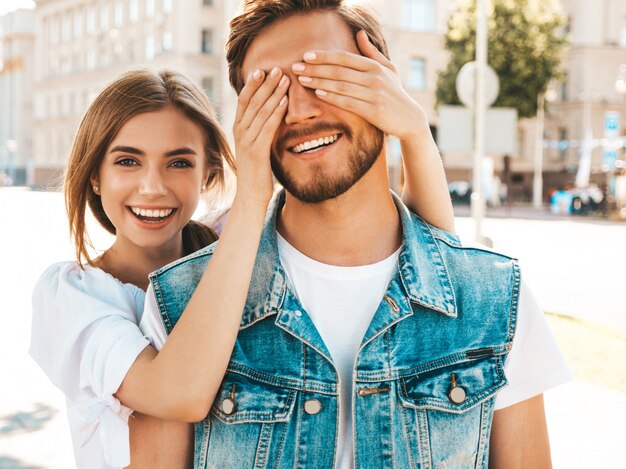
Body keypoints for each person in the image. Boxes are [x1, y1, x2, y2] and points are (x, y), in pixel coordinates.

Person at [140, 1, 569, 468]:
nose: (299, 111)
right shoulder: (178, 304)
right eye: (271, 92)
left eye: (323, 78)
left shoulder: (493, 299)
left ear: (383, 85)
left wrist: (415, 132)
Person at [30, 58, 455, 469]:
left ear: (208, 173)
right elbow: (178, 393)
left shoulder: (229, 245)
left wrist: (415, 131)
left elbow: (430, 251)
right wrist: (254, 190)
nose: (153, 186)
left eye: (179, 162)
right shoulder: (72, 295)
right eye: (128, 161)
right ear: (95, 176)